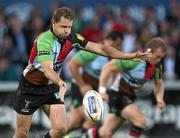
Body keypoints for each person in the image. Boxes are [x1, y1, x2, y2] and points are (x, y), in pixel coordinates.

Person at [12, 7, 150, 138]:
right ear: (53, 23)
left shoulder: (72, 38)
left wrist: (127, 56)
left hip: (51, 87)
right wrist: (60, 82)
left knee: (61, 129)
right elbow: (47, 69)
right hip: (31, 88)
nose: (67, 31)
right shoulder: (44, 41)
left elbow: (102, 49)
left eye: (69, 27)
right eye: (63, 27)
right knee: (21, 134)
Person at [87, 37, 167, 138]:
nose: (159, 60)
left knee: (105, 133)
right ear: (149, 51)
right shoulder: (135, 60)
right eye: (157, 57)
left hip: (129, 97)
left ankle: (84, 136)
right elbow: (108, 68)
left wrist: (159, 98)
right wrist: (102, 90)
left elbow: (159, 83)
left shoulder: (157, 67)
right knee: (140, 120)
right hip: (118, 94)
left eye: (161, 58)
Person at [65, 31, 124, 136]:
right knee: (92, 118)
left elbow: (113, 78)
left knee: (76, 122)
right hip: (81, 87)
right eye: (116, 45)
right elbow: (72, 65)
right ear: (108, 41)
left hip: (93, 90)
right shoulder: (94, 51)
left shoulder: (114, 58)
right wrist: (82, 85)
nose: (118, 48)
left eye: (119, 46)